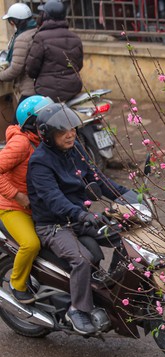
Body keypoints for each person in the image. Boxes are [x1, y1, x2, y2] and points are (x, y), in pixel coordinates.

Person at [27, 103, 128, 335]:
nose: (70, 134)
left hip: (80, 218)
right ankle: (77, 310)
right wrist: (81, 214)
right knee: (82, 259)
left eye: (72, 129)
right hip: (54, 225)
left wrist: (128, 195)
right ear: (48, 135)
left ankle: (111, 288)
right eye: (63, 131)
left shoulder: (76, 150)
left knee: (125, 235)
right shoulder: (40, 162)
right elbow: (53, 199)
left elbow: (99, 179)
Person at [0, 95, 53, 304]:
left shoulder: (46, 141)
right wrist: (17, 195)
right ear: (33, 123)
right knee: (30, 244)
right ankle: (17, 284)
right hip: (12, 207)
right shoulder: (21, 144)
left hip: (38, 206)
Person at [26, 0, 83, 102]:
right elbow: (78, 65)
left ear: (46, 16)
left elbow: (32, 69)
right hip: (73, 88)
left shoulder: (40, 38)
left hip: (47, 91)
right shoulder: (76, 38)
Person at [0, 3, 38, 106]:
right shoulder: (36, 31)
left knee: (18, 121)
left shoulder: (22, 39)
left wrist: (1, 75)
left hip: (29, 89)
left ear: (15, 22)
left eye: (11, 21)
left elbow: (15, 69)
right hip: (39, 85)